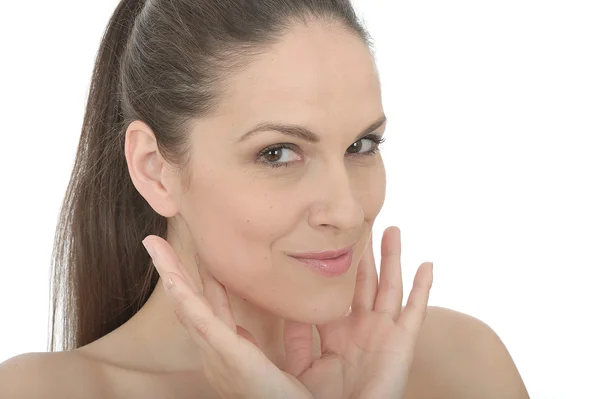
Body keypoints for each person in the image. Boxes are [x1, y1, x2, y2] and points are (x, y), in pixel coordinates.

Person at [0, 0, 530, 397]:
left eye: (361, 145)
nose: (347, 212)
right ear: (155, 169)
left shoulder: (464, 366)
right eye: (278, 154)